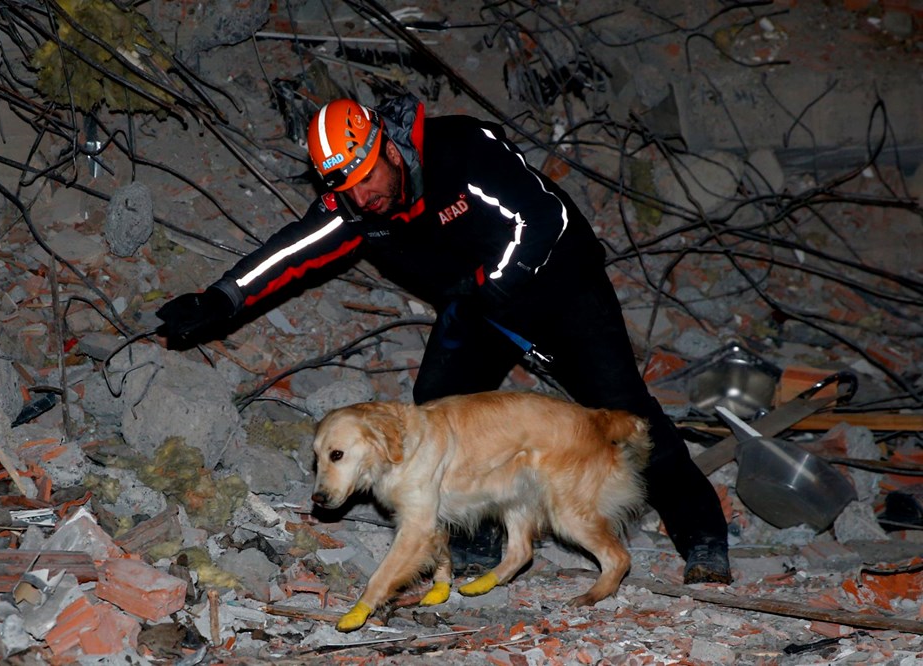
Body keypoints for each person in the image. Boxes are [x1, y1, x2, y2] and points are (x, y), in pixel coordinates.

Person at [156, 94, 732, 585]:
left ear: (385, 147)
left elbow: (543, 218)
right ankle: (475, 537)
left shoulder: (460, 150)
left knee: (621, 408)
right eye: (346, 191)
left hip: (561, 282)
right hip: (476, 300)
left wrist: (493, 283)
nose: (362, 199)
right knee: (438, 413)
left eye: (366, 181)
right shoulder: (358, 208)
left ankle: (702, 533)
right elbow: (292, 251)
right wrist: (220, 300)